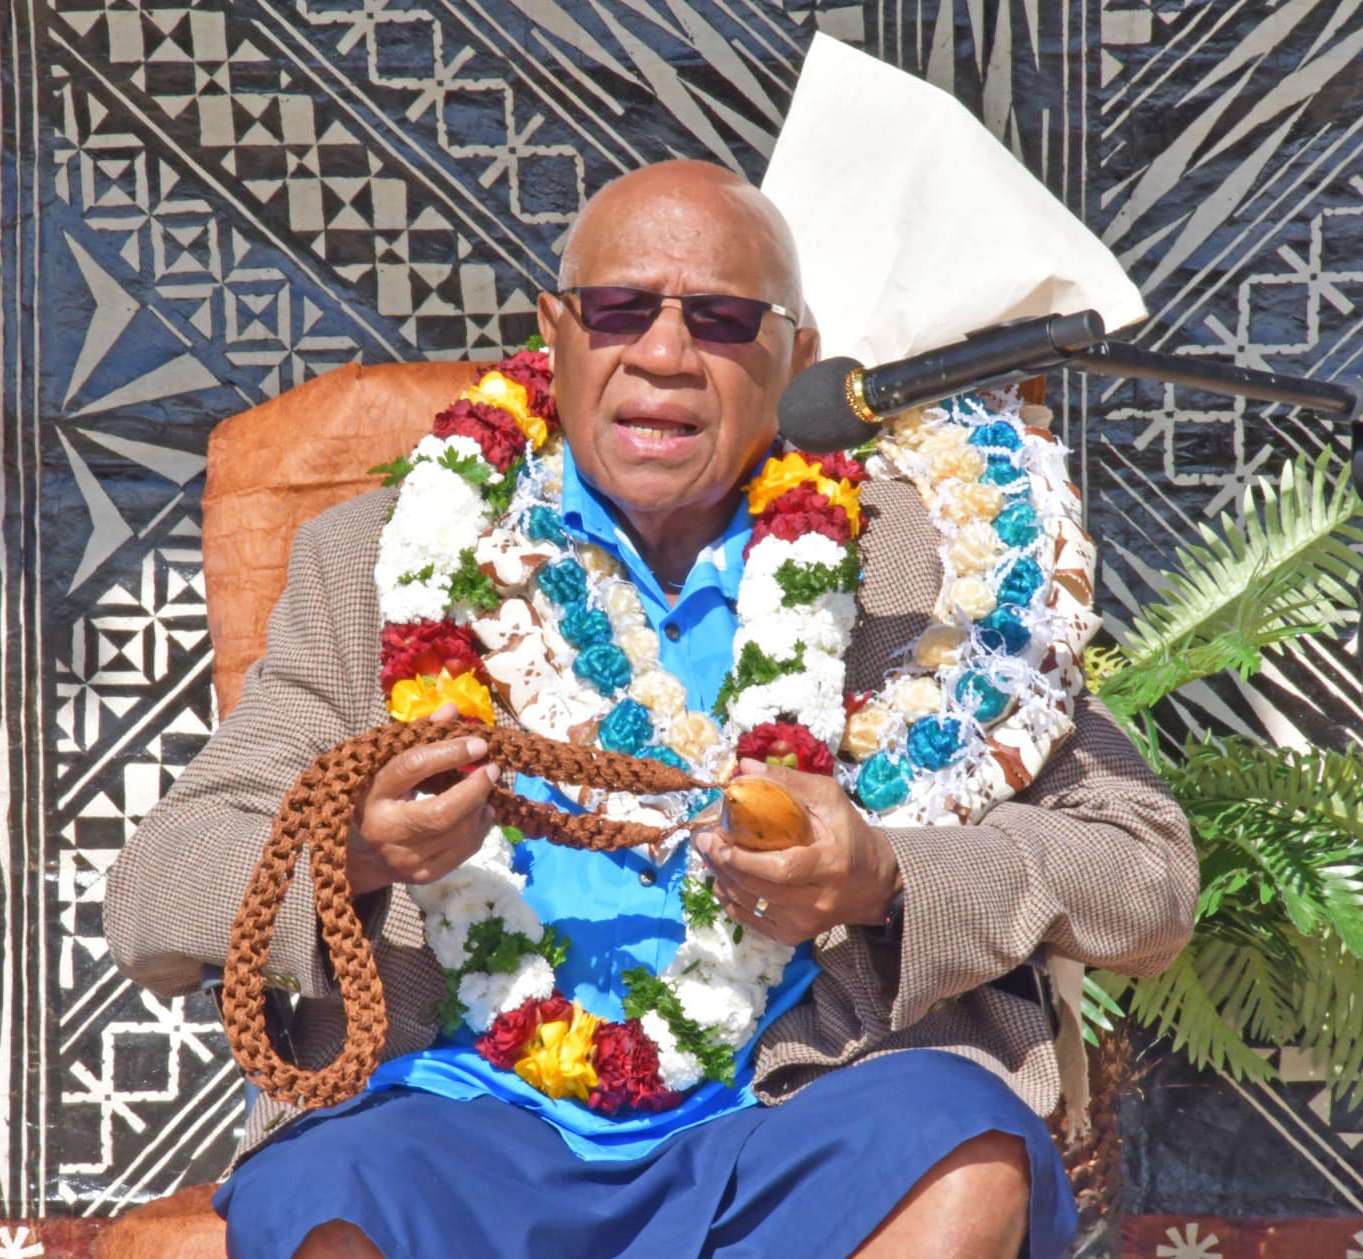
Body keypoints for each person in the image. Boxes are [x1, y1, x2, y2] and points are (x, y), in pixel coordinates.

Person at [104, 160, 1197, 1259]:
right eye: (621, 309)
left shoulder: (916, 566)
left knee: (958, 1153)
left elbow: (1143, 870)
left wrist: (885, 876)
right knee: (335, 1189)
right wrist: (354, 848)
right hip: (460, 1115)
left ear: (795, 357)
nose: (665, 355)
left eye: (721, 319)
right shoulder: (379, 559)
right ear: (556, 329)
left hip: (795, 1112)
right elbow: (157, 894)